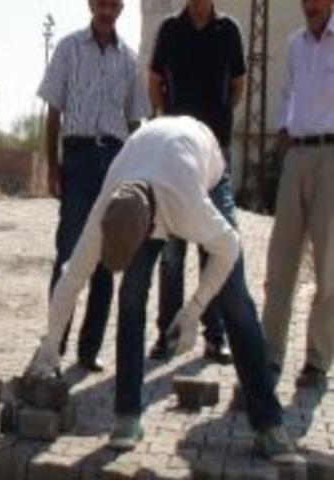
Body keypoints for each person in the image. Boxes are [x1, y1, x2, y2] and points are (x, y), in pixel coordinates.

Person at [24, 117, 298, 461]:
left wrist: (194, 310)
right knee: (130, 297)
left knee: (234, 300)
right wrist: (50, 345)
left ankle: (269, 426)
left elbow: (229, 248)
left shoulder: (189, 207)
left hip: (203, 165)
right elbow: (71, 278)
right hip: (149, 158)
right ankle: (127, 417)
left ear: (150, 228)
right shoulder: (109, 204)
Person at [37, 0, 149, 371]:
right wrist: (53, 168)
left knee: (108, 256)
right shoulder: (68, 48)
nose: (106, 9)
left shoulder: (130, 61)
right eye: (101, 2)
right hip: (79, 159)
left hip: (116, 162)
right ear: (90, 4)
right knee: (69, 253)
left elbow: (136, 123)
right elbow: (53, 113)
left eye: (114, 3)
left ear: (120, 9)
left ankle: (89, 349)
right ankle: (54, 343)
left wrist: (141, 173)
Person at [147, 0, 247, 364]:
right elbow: (155, 83)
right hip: (175, 156)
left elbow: (237, 86)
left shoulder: (229, 31)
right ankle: (167, 335)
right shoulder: (170, 30)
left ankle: (214, 336)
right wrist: (169, 122)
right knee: (172, 252)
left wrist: (216, 121)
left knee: (212, 244)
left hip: (213, 155)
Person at [262, 0, 334, 390]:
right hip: (296, 155)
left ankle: (317, 361)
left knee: (328, 268)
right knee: (279, 265)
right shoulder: (294, 44)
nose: (311, 6)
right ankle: (269, 357)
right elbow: (287, 92)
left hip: (332, 158)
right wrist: (283, 135)